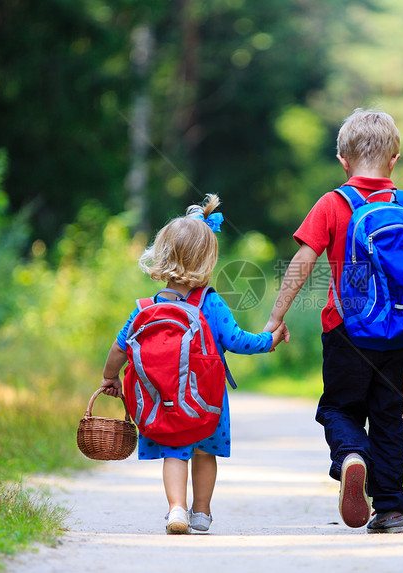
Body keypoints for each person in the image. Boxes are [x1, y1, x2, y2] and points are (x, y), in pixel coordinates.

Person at [264, 109, 403, 534]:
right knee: (388, 416)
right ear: (394, 159)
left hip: (345, 330)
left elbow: (303, 262)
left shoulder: (334, 203)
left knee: (338, 407)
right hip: (396, 335)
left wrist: (276, 316)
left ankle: (351, 455)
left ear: (343, 160)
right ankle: (392, 509)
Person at [100, 194, 288, 535]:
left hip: (164, 401)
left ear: (162, 255)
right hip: (207, 400)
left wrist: (109, 377)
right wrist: (269, 340)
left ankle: (176, 509)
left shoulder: (146, 308)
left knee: (175, 453)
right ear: (208, 260)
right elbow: (237, 341)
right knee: (205, 452)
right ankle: (201, 512)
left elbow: (119, 347)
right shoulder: (210, 303)